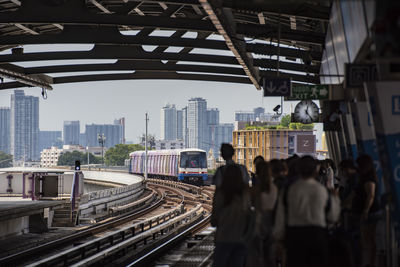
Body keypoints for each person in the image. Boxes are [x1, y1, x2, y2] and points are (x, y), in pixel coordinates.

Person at [274, 156, 341, 267]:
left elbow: (280, 218)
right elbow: (333, 217)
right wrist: (336, 199)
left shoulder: (288, 190)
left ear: (298, 170)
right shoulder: (322, 190)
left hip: (295, 237)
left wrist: (279, 239)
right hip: (317, 235)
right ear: (315, 170)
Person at [211, 164, 251, 267]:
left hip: (223, 238)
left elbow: (214, 221)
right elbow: (248, 214)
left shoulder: (221, 194)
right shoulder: (245, 194)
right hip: (241, 238)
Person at [352, 154, 381, 267]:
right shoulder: (365, 177)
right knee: (367, 239)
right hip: (368, 212)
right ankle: (369, 262)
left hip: (370, 213)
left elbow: (371, 196)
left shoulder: (369, 179)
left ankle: (370, 263)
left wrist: (365, 211)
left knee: (368, 240)